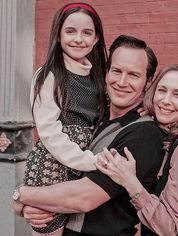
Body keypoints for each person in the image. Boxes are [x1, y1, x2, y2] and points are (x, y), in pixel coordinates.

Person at [12, 35, 166, 236]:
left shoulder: (143, 135)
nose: (121, 82)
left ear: (148, 81)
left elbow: (83, 197)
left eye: (133, 75)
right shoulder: (97, 118)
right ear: (106, 72)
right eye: (116, 71)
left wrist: (21, 195)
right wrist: (27, 206)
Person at [16, 2, 107, 236]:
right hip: (51, 167)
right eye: (70, 31)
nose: (79, 39)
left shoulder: (99, 77)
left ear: (97, 38)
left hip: (82, 171)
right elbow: (49, 133)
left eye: (87, 33)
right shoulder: (49, 75)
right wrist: (90, 161)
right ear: (58, 34)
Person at [97, 64, 178, 236]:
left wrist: (130, 181)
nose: (166, 100)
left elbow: (168, 226)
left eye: (177, 94)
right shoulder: (167, 139)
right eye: (161, 90)